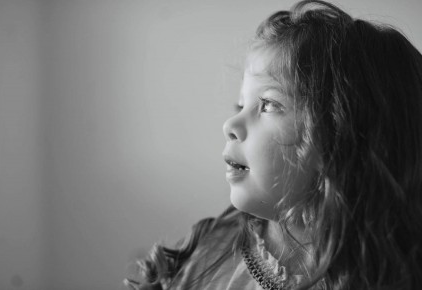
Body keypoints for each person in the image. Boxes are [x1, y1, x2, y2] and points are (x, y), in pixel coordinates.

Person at [129, 1, 422, 289]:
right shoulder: (210, 249)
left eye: (268, 104)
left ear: (348, 135)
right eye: (240, 105)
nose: (230, 125)